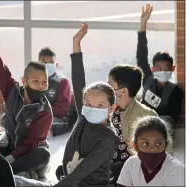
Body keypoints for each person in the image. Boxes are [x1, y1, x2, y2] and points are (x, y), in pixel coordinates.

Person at [0, 8, 52, 180]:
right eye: (35, 81)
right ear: (24, 81)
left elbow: (29, 143)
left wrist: (8, 160)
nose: (41, 86)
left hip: (29, 155)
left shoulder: (44, 110)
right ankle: (16, 173)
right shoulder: (12, 90)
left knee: (43, 154)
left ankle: (9, 170)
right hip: (9, 147)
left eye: (44, 82)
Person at [54, 22, 119, 187]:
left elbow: (79, 175)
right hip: (70, 179)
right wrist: (76, 43)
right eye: (88, 104)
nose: (92, 109)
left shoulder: (107, 139)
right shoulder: (84, 116)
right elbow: (78, 80)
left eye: (100, 106)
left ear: (112, 108)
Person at [108, 64, 158, 185]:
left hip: (130, 168)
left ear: (123, 91)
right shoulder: (110, 109)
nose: (106, 89)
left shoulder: (146, 115)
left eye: (110, 85)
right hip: (110, 163)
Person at [137, 4, 183, 125]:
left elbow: (172, 117)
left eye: (167, 68)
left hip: (161, 129)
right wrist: (143, 25)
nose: (163, 71)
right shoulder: (148, 79)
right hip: (141, 124)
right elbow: (141, 56)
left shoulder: (175, 91)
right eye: (159, 68)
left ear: (173, 69)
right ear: (153, 69)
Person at [117, 116, 185, 186]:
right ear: (135, 145)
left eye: (158, 144)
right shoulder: (131, 164)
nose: (152, 149)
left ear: (166, 144)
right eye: (145, 143)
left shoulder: (176, 170)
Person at [38, 47, 72, 136]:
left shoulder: (62, 81)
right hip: (38, 115)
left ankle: (44, 136)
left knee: (37, 123)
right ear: (39, 65)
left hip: (59, 120)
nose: (47, 65)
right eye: (44, 62)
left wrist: (40, 112)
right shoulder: (34, 80)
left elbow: (62, 109)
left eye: (51, 62)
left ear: (56, 65)